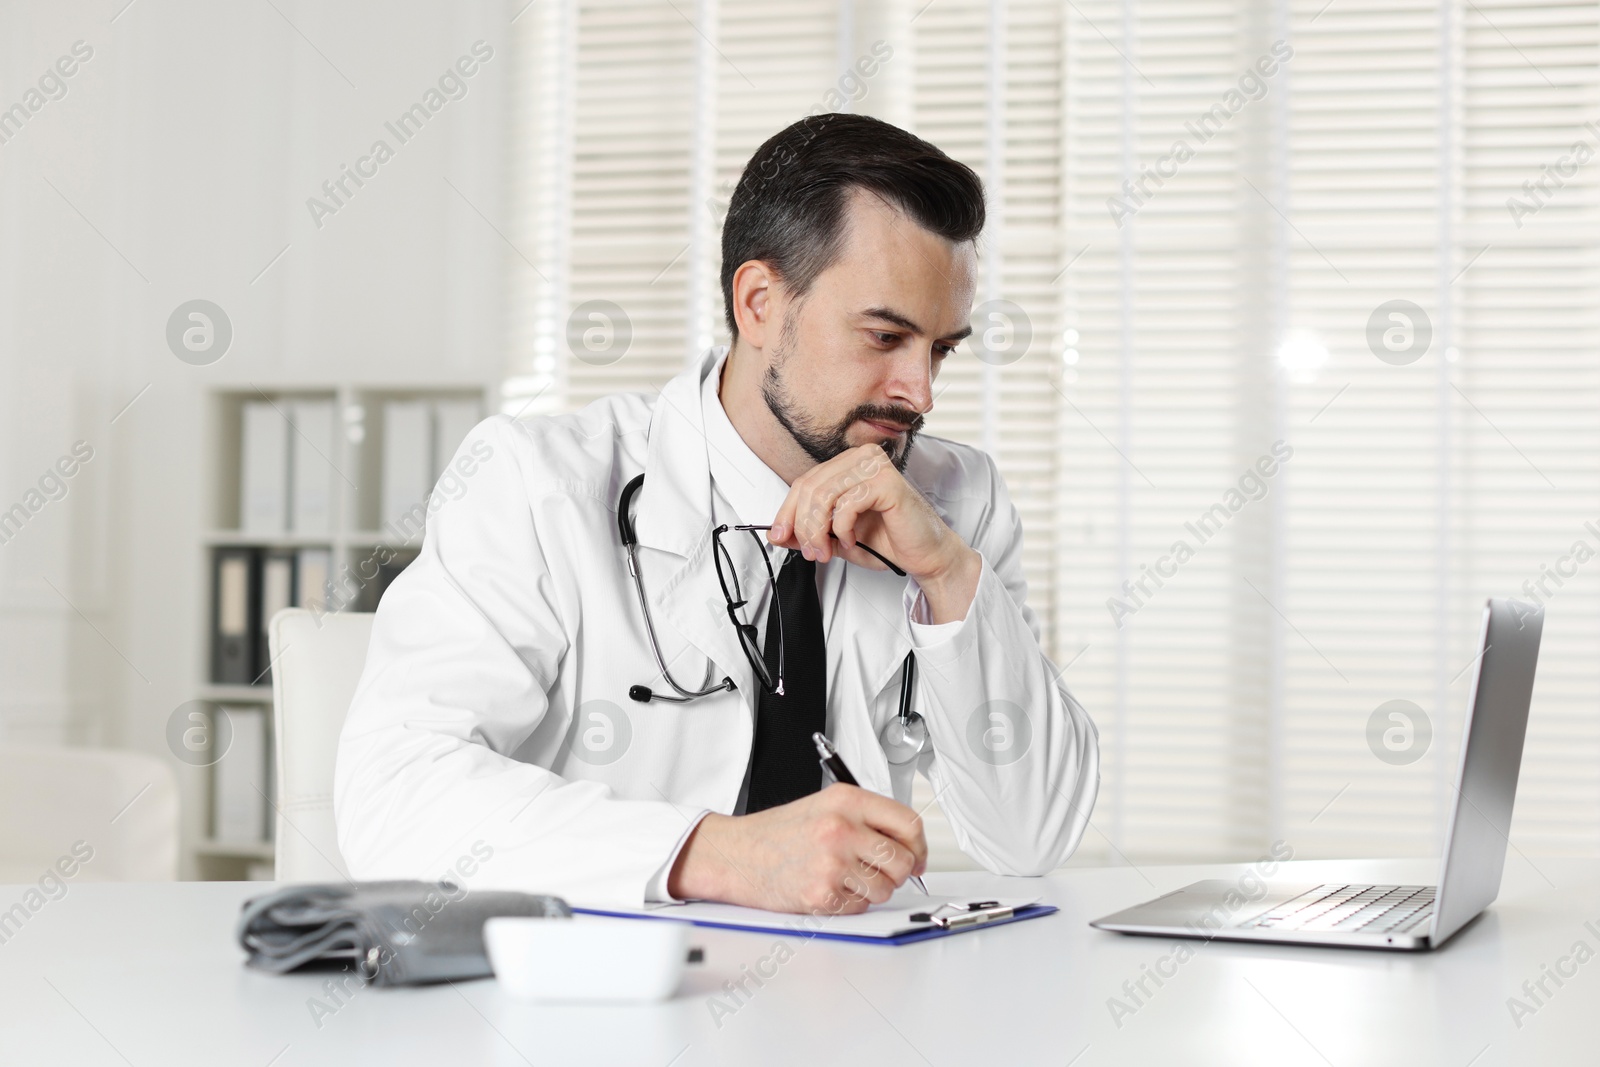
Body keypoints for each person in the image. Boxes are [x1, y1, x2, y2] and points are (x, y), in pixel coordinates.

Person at [335, 113, 1099, 914]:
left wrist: (946, 573)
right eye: (884, 336)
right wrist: (717, 855)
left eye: (941, 349)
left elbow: (1032, 837)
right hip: (601, 1008)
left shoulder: (955, 502)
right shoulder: (538, 483)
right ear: (761, 302)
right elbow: (392, 791)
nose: (922, 392)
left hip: (849, 1007)